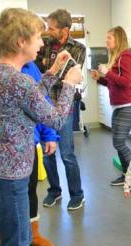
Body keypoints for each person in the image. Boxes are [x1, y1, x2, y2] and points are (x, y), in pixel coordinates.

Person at [0, 7, 82, 246]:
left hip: (4, 174)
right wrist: (69, 84)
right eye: (37, 37)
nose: (43, 43)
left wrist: (54, 69)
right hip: (10, 178)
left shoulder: (2, 72)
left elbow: (29, 96)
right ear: (21, 42)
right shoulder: (16, 80)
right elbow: (55, 119)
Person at [38, 9, 86, 210]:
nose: (47, 31)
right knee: (48, 153)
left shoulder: (78, 48)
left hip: (65, 105)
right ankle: (54, 191)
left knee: (66, 154)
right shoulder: (44, 44)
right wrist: (49, 70)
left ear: (65, 30)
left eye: (52, 28)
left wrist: (48, 68)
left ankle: (77, 194)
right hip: (44, 104)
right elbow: (38, 72)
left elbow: (68, 76)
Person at [91, 26, 131, 186]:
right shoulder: (117, 57)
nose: (106, 41)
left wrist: (107, 72)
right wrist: (100, 78)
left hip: (128, 107)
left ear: (118, 40)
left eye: (109, 38)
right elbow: (114, 83)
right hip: (119, 107)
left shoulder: (126, 58)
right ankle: (126, 175)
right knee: (117, 142)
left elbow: (126, 83)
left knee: (119, 142)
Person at [22, 61, 57, 246]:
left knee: (30, 190)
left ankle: (33, 235)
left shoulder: (30, 66)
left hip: (30, 143)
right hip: (2, 152)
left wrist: (49, 135)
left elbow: (42, 104)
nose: (42, 43)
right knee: (3, 199)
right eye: (37, 37)